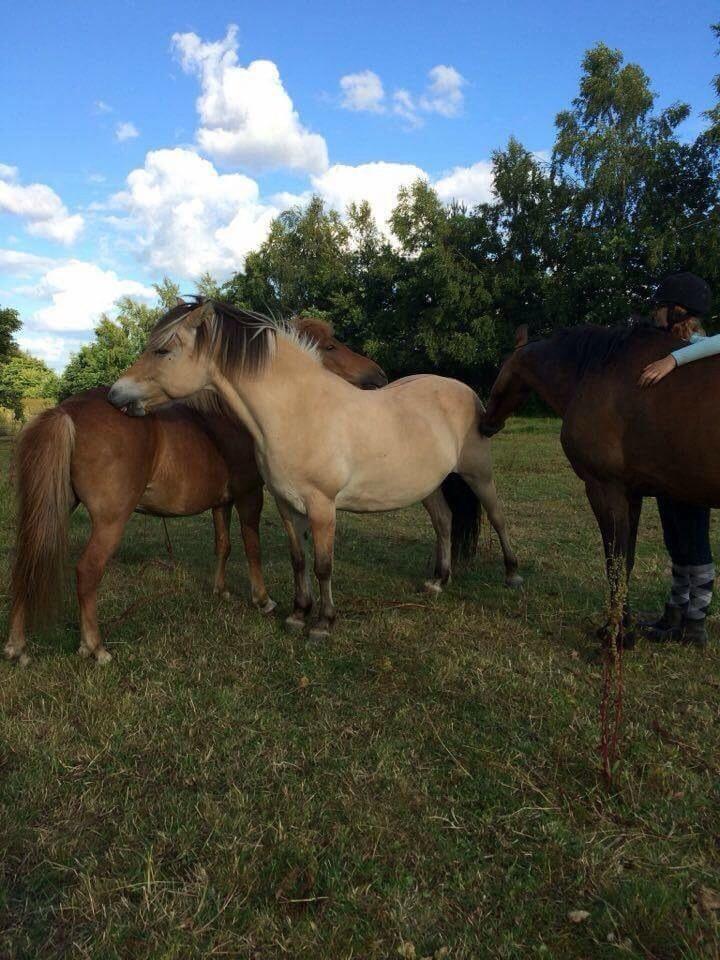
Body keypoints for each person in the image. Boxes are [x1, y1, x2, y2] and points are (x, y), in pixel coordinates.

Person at [636, 272, 714, 647]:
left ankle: (696, 622)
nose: (655, 315)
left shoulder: (700, 348)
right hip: (666, 463)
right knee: (676, 543)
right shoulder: (657, 348)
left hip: (691, 462)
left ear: (678, 312)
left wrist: (672, 360)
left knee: (694, 540)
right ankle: (676, 611)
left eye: (661, 309)